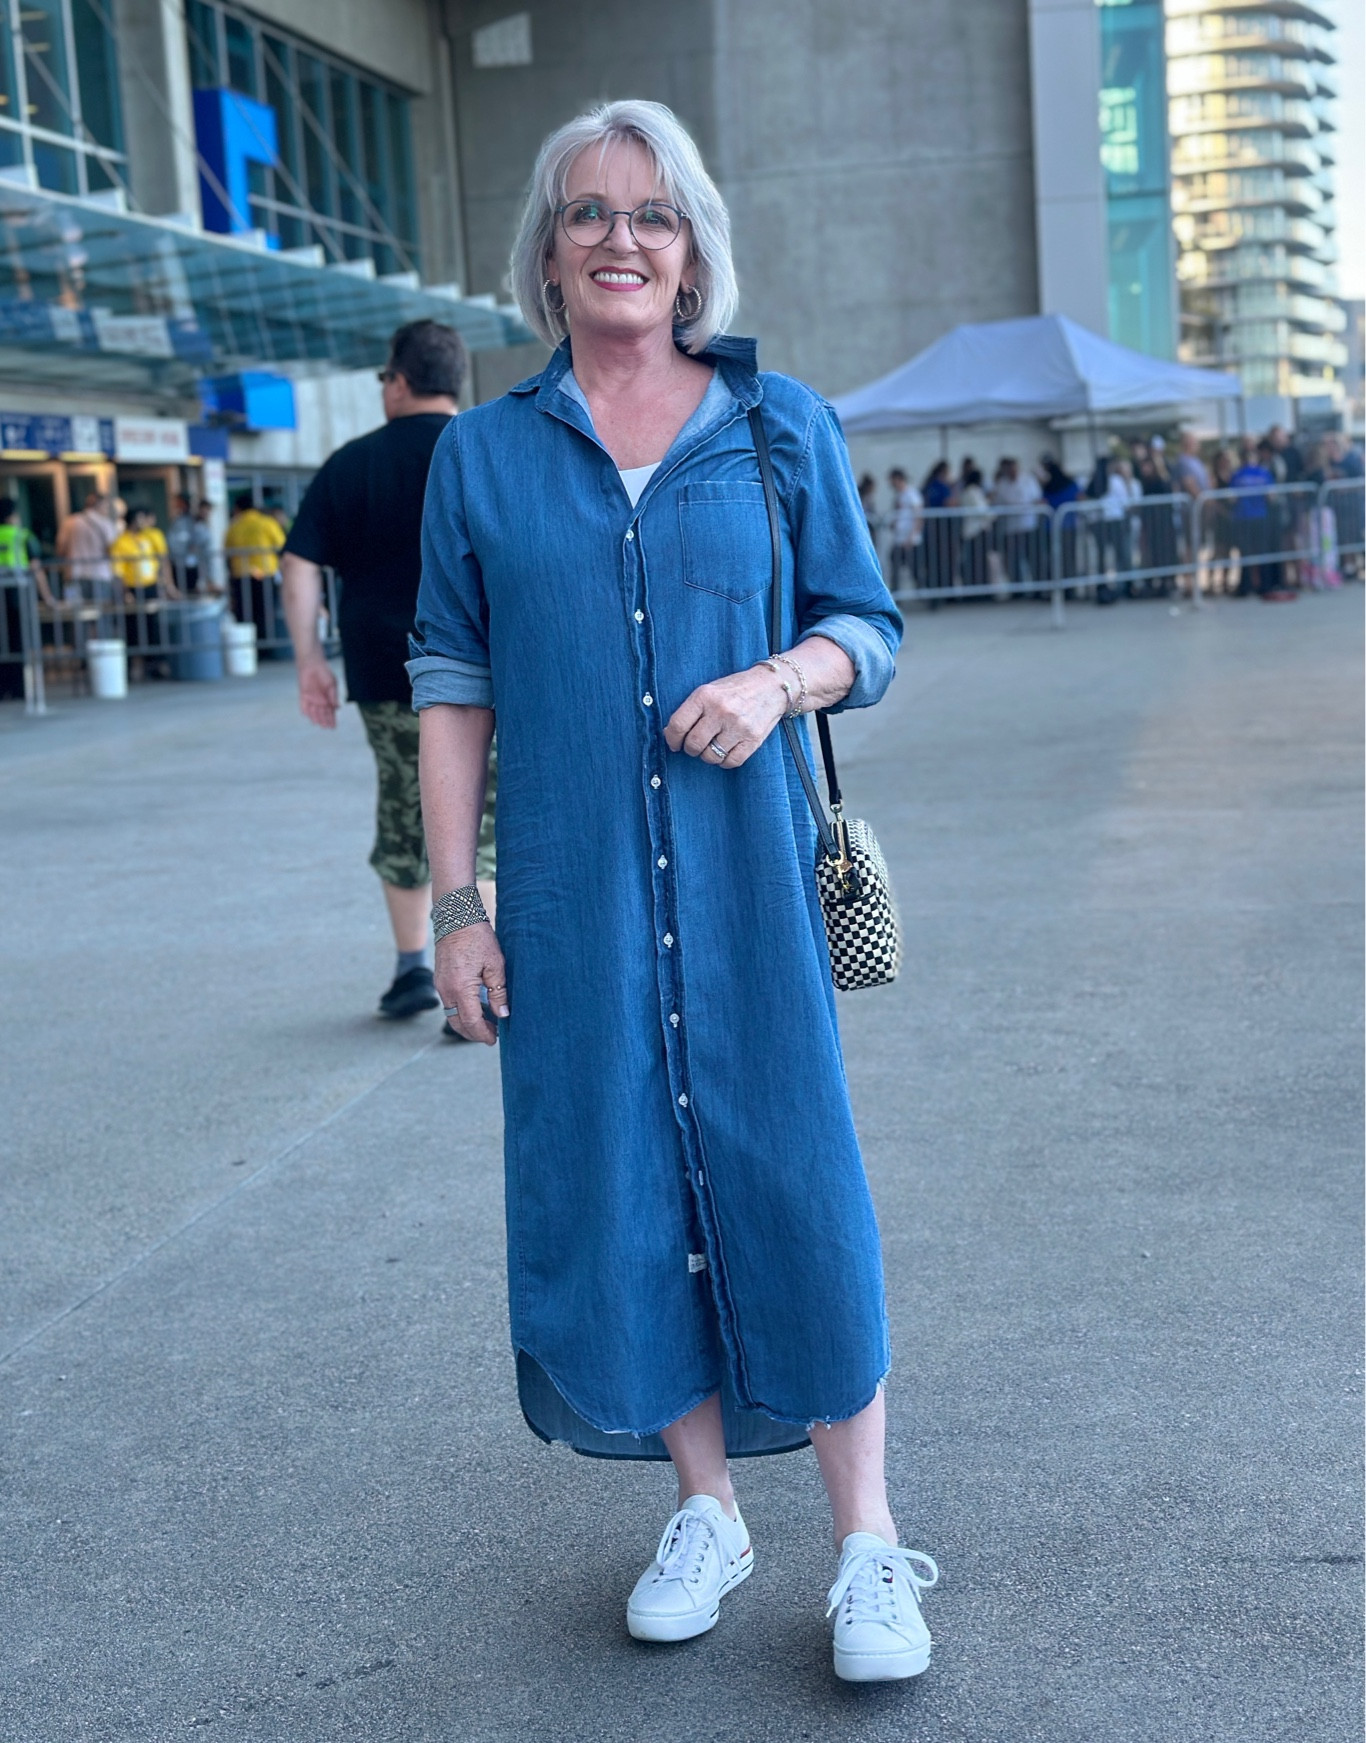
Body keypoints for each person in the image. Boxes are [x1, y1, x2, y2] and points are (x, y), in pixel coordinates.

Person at [409, 98, 937, 1683]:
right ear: (547, 254)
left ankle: (865, 1538)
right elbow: (450, 681)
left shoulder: (782, 431)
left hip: (751, 900)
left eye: (651, 212)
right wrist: (455, 903)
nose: (620, 237)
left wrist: (780, 680)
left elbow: (871, 628)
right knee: (620, 1185)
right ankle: (707, 1504)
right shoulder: (487, 458)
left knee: (797, 1181)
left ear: (692, 244)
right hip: (570, 907)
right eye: (587, 212)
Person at [282, 321, 493, 1029]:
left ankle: (411, 967)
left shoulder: (350, 463)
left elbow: (300, 561)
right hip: (484, 671)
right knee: (483, 818)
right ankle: (478, 979)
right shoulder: (488, 447)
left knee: (407, 805)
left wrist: (311, 658)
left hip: (384, 670)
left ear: (398, 382)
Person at [1231, 440, 1292, 601]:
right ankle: (1263, 585)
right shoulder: (1263, 473)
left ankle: (1246, 585)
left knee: (1246, 553)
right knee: (1261, 552)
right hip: (1259, 516)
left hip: (1244, 517)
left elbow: (1232, 498)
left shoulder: (1239, 474)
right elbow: (1271, 497)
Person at [224, 491, 286, 647]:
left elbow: (227, 552)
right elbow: (282, 546)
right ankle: (268, 645)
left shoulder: (234, 526)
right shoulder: (267, 523)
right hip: (265, 574)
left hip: (241, 576)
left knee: (245, 614)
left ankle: (249, 647)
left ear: (238, 508)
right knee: (266, 612)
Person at [0, 496, 46, 701]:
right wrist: (48, 597)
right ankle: (19, 688)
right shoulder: (23, 536)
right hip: (18, 597)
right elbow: (36, 569)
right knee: (19, 642)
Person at [55, 489, 118, 602]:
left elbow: (60, 549)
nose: (107, 510)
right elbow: (112, 550)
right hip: (100, 575)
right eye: (106, 507)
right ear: (99, 505)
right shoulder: (106, 524)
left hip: (72, 575)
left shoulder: (69, 522)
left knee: (75, 613)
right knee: (101, 613)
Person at [167, 494, 217, 594]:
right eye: (203, 510)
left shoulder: (204, 529)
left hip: (195, 568)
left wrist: (209, 578)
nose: (205, 513)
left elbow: (207, 554)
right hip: (179, 566)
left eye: (207, 511)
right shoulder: (180, 523)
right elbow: (172, 543)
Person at [920, 458, 956, 591]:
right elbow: (950, 503)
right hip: (943, 530)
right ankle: (946, 588)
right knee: (945, 560)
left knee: (932, 561)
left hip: (930, 529)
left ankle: (933, 587)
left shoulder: (927, 485)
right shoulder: (942, 486)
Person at [886, 466, 922, 594]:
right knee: (894, 565)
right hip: (899, 539)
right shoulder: (899, 496)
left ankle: (927, 594)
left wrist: (912, 536)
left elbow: (918, 516)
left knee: (915, 570)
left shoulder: (911, 494)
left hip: (910, 540)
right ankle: (895, 595)